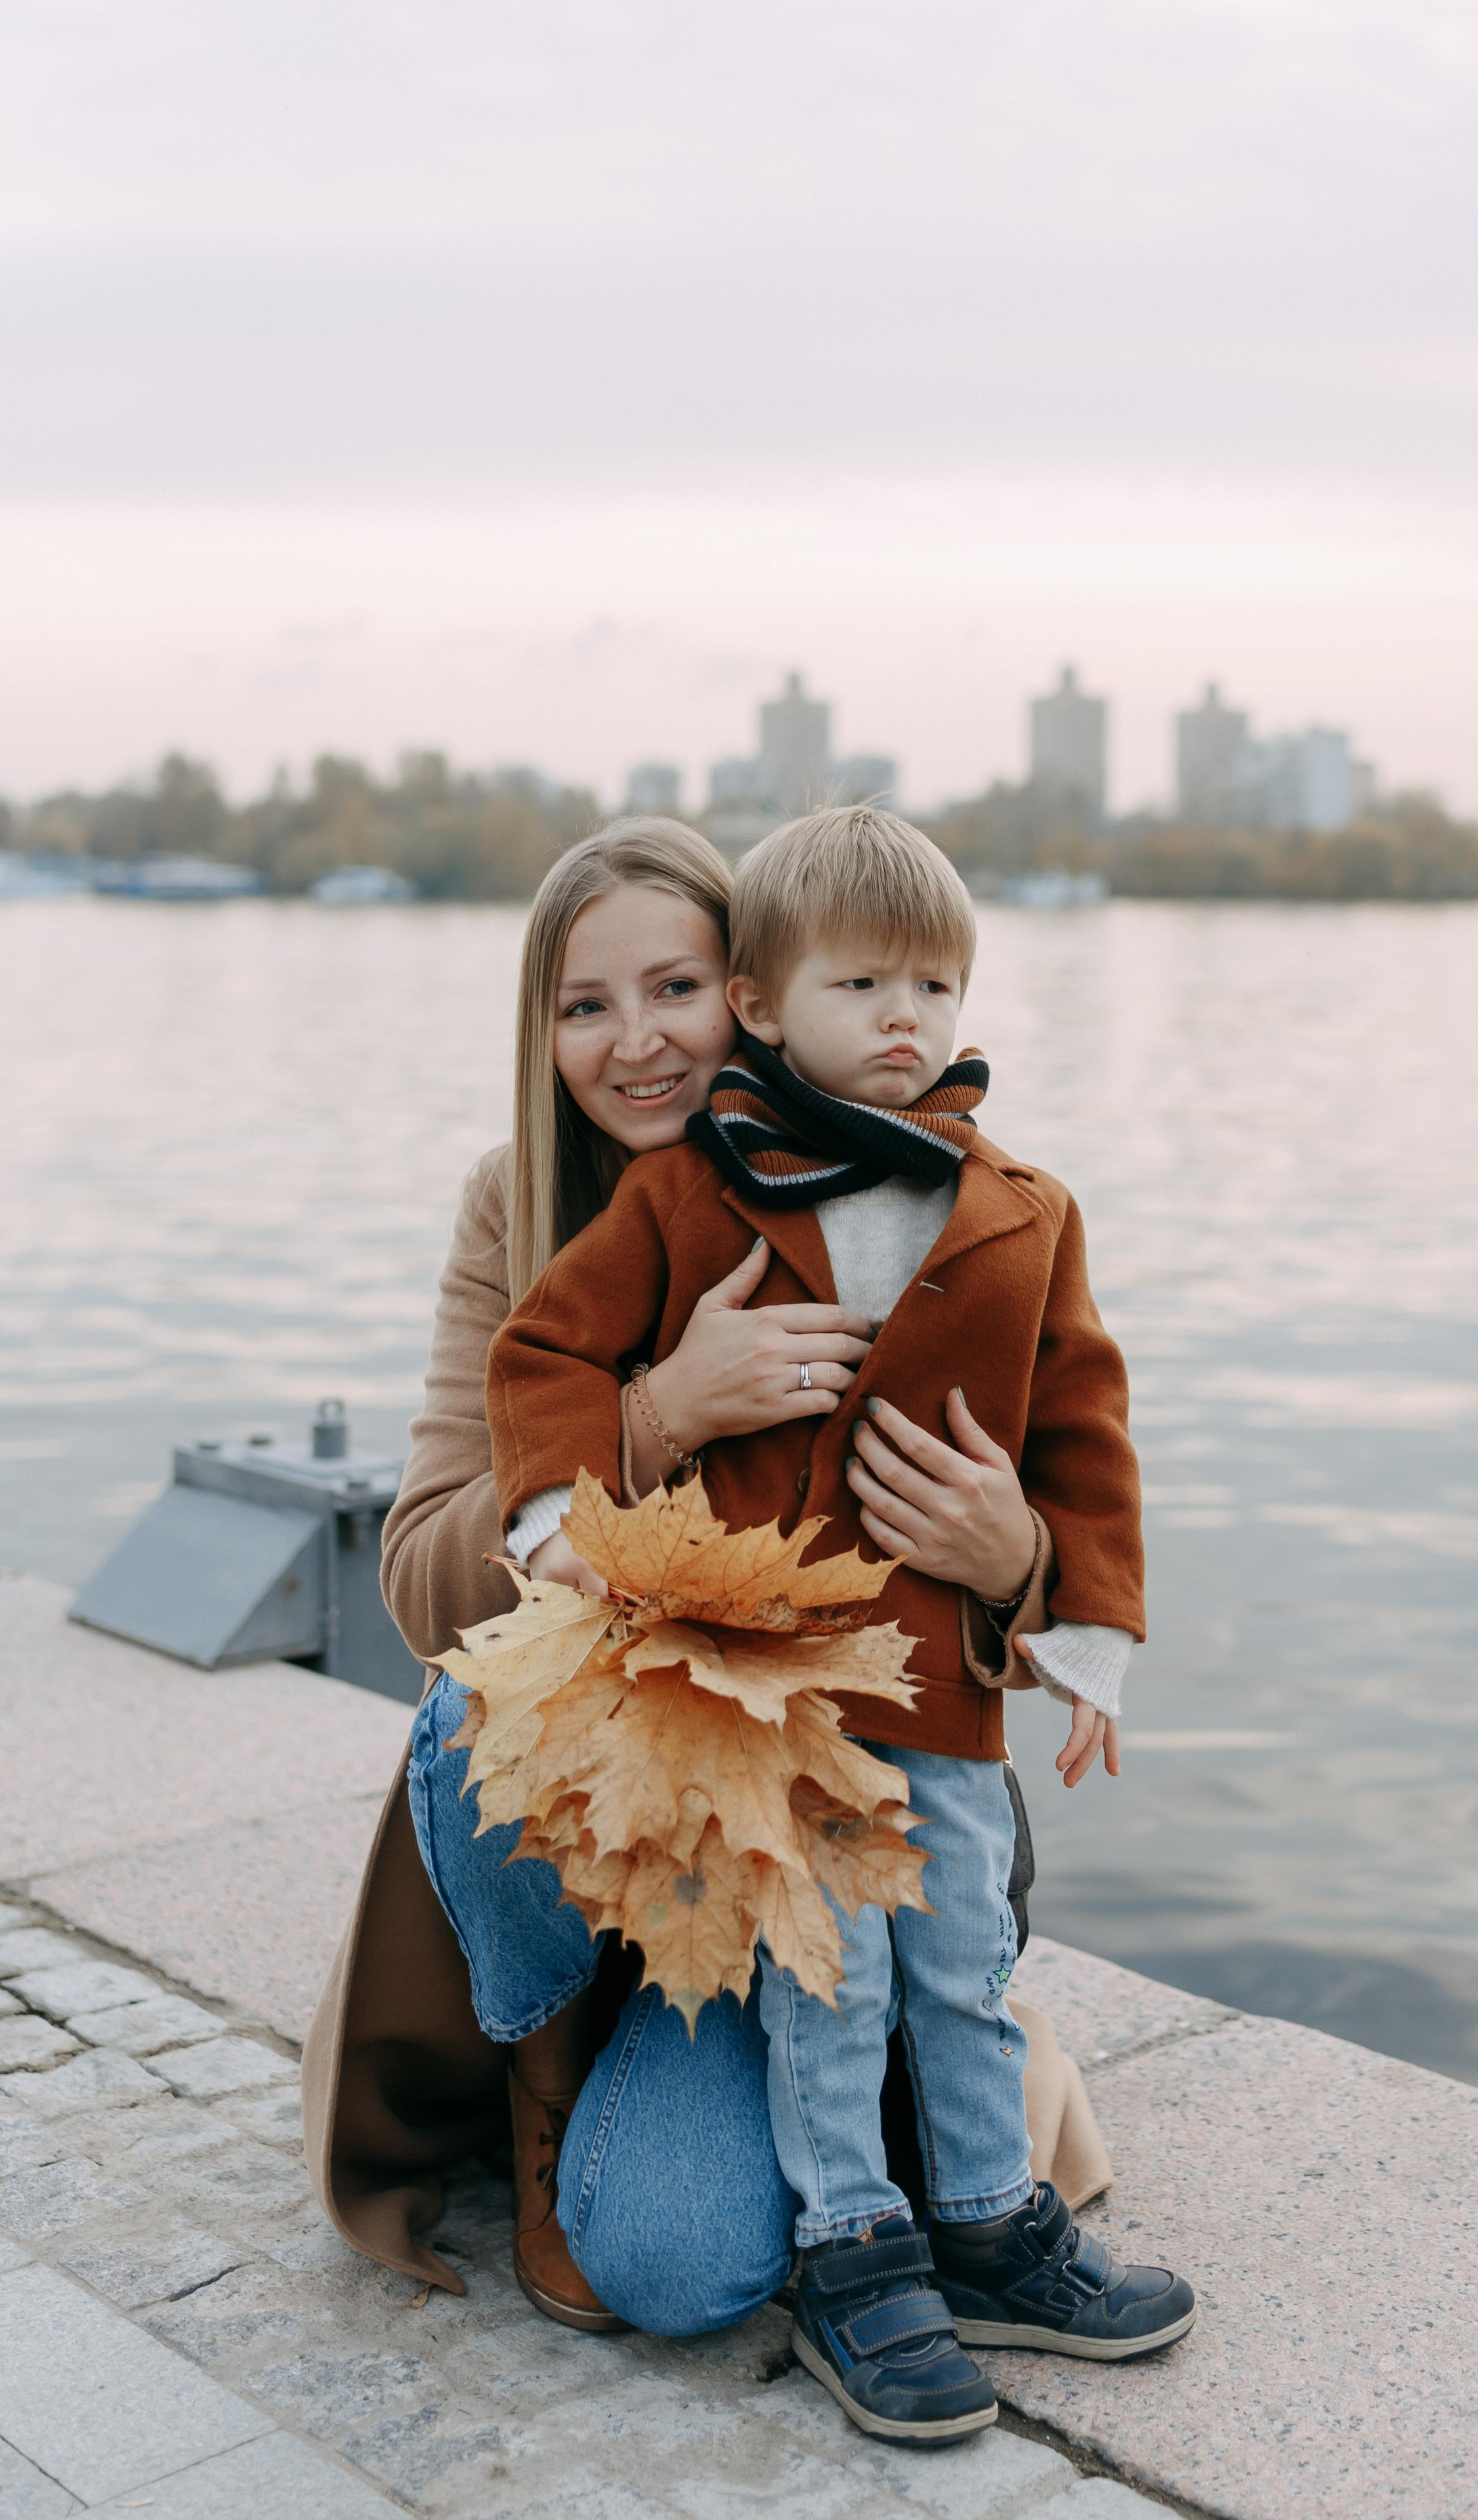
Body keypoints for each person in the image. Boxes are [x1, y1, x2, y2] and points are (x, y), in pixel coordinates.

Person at [301, 814, 1116, 2342]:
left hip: (793, 1822)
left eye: (671, 987)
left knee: (682, 2269)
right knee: (474, 1697)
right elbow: (423, 1585)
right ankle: (546, 2077)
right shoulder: (516, 1208)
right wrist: (663, 1413)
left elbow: (1054, 1461)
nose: (635, 1045)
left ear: (752, 991)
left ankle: (864, 2077)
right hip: (583, 1827)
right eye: (582, 1006)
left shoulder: (909, 1186)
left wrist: (1016, 1558)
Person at [487, 807, 1196, 2442]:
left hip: (936, 1693)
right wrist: (573, 1509)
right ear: (766, 1003)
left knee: (958, 1962)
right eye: (862, 980)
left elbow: (1082, 1431)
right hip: (768, 1699)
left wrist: (1074, 1626)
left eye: (934, 985)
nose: (904, 1018)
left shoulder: (1021, 1206)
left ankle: (985, 2219)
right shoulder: (687, 1191)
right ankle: (849, 2250)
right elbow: (540, 1359)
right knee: (831, 1980)